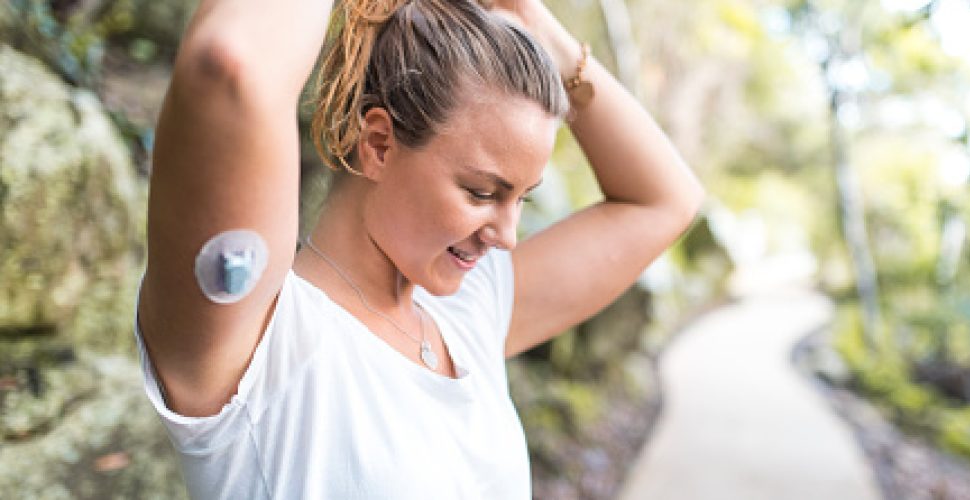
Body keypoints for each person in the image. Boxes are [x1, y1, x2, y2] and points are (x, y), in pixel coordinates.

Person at [134, 0, 703, 497]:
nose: (506, 236)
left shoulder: (468, 312)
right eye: (482, 192)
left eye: (522, 199)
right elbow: (233, 64)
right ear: (379, 143)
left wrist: (533, 23)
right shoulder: (256, 343)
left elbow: (665, 202)